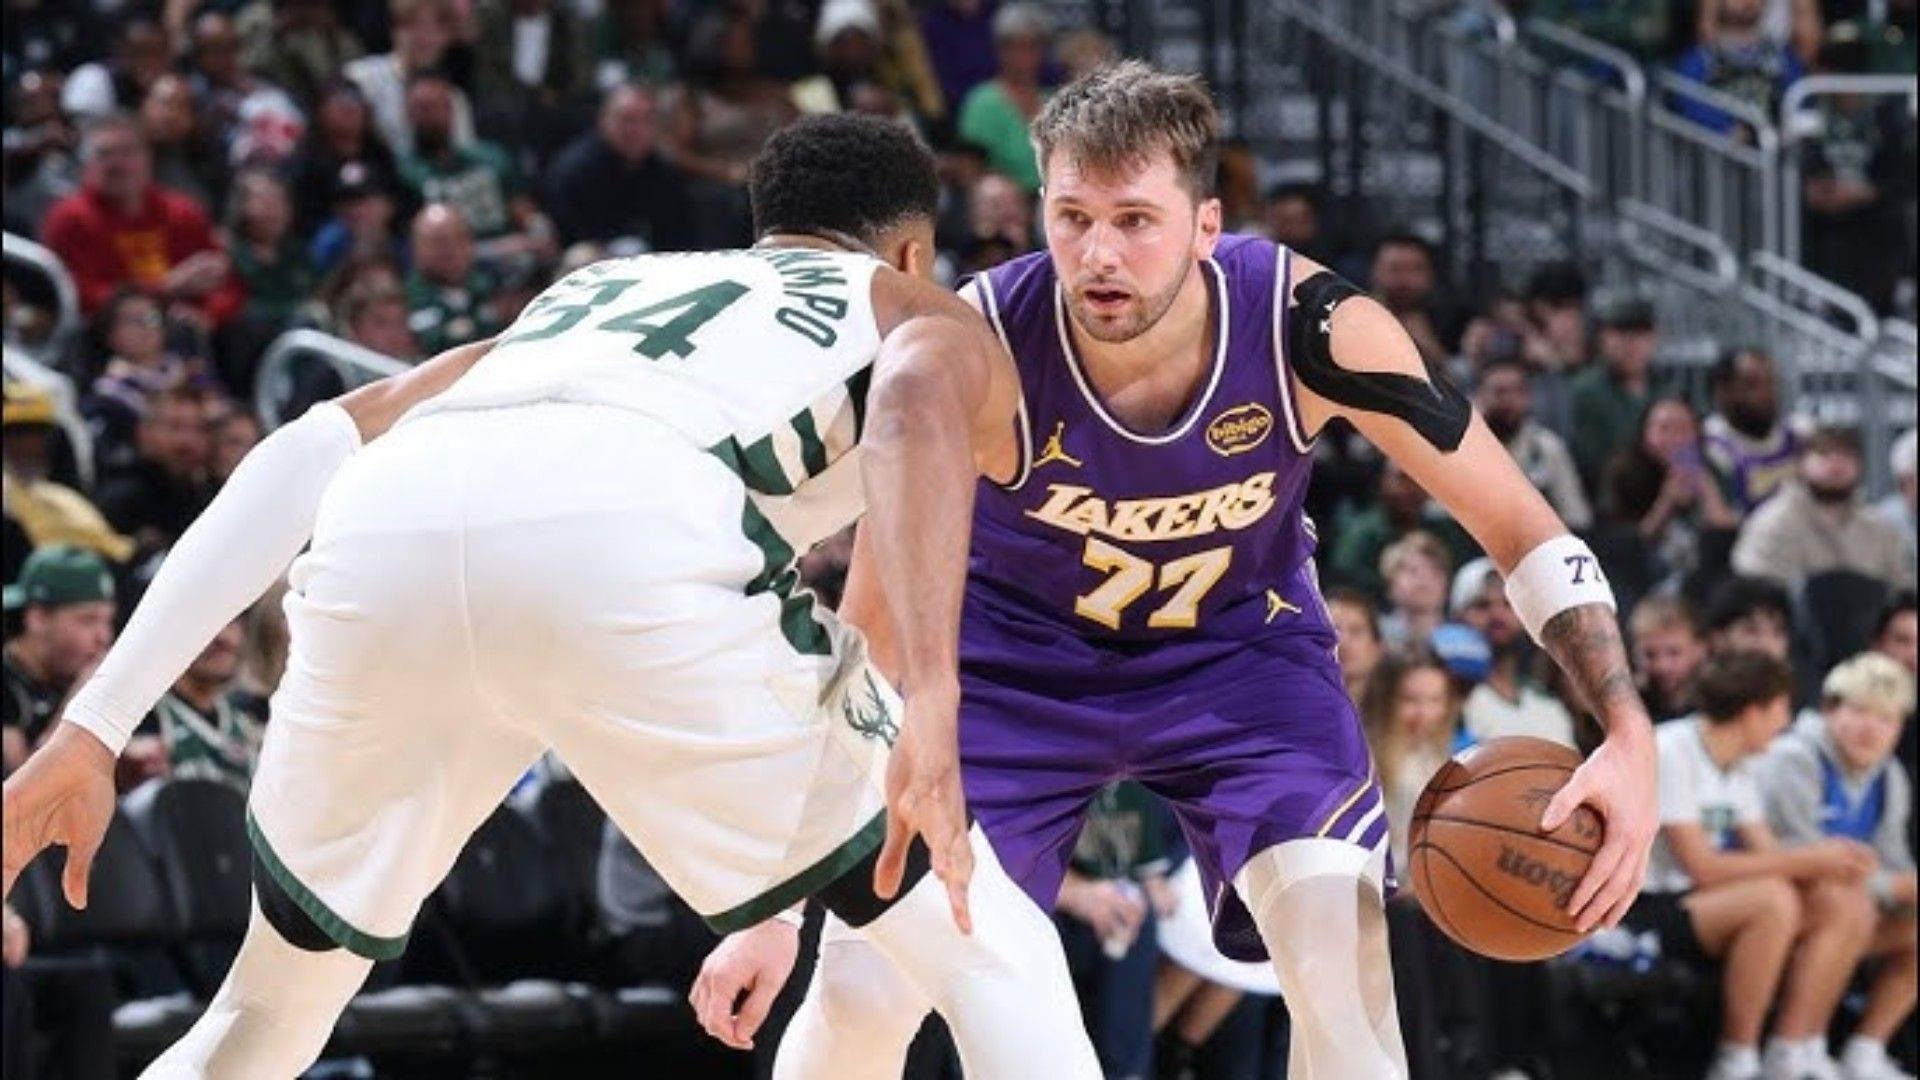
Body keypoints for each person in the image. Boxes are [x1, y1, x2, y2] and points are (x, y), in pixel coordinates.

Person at [0, 113, 1101, 1080]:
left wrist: (93, 727)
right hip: (634, 532)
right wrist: (936, 702)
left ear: (759, 229)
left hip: (386, 531)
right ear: (914, 248)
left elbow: (311, 443)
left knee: (266, 1013)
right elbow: (908, 442)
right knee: (992, 952)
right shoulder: (922, 305)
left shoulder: (596, 292)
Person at [694, 62, 1658, 1080]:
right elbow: (872, 624)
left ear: (1206, 226)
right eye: (1072, 218)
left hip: (1242, 660)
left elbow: (1521, 528)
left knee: (1342, 968)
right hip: (1009, 674)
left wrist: (1627, 730)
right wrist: (782, 904)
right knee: (862, 988)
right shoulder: (973, 344)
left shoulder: (1309, 327)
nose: (1098, 254)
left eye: (1134, 221)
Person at [1626, 648, 1885, 1080]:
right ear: (1753, 711)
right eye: (1781, 708)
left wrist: (1830, 862)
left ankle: (1795, 1048)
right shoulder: (1671, 749)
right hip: (1646, 906)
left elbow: (1768, 855)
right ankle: (1737, 1058)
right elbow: (1701, 866)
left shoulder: (1741, 764)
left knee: (1843, 901)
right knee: (1772, 900)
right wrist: (1809, 860)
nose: (1786, 721)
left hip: (1702, 898)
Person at [1758, 652, 1917, 1080]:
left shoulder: (1890, 777)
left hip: (1844, 906)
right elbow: (1798, 858)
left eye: (1885, 719)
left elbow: (1893, 861)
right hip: (1778, 902)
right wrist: (1892, 886)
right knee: (1845, 902)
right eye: (1860, 711)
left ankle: (1865, 1051)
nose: (1871, 728)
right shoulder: (1794, 757)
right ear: (1830, 709)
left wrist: (1904, 888)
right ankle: (1790, 1048)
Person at [1733, 426, 1914, 591]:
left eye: (1847, 455)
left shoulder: (1881, 529)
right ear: (1800, 464)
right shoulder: (1773, 523)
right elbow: (1754, 591)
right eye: (1824, 454)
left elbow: (1902, 589)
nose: (1836, 464)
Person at [2, 546, 116, 775]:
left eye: (108, 621)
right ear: (38, 619)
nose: (104, 636)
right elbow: (21, 784)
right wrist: (81, 700)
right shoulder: (8, 684)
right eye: (87, 620)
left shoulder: (66, 669)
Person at [1475, 354, 1591, 531]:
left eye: (1517, 391)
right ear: (1480, 396)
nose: (1508, 400)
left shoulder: (1547, 448)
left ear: (1528, 398)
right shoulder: (1463, 449)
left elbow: (1575, 516)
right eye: (1499, 391)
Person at [1703, 346, 1810, 514]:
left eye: (1770, 382)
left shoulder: (1802, 434)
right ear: (1723, 392)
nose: (1766, 394)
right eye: (1753, 385)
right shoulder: (1707, 446)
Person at [1630, 594, 1708, 721]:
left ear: (1699, 649)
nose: (1662, 666)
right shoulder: (1630, 705)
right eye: (1650, 654)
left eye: (1674, 653)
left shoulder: (1717, 704)